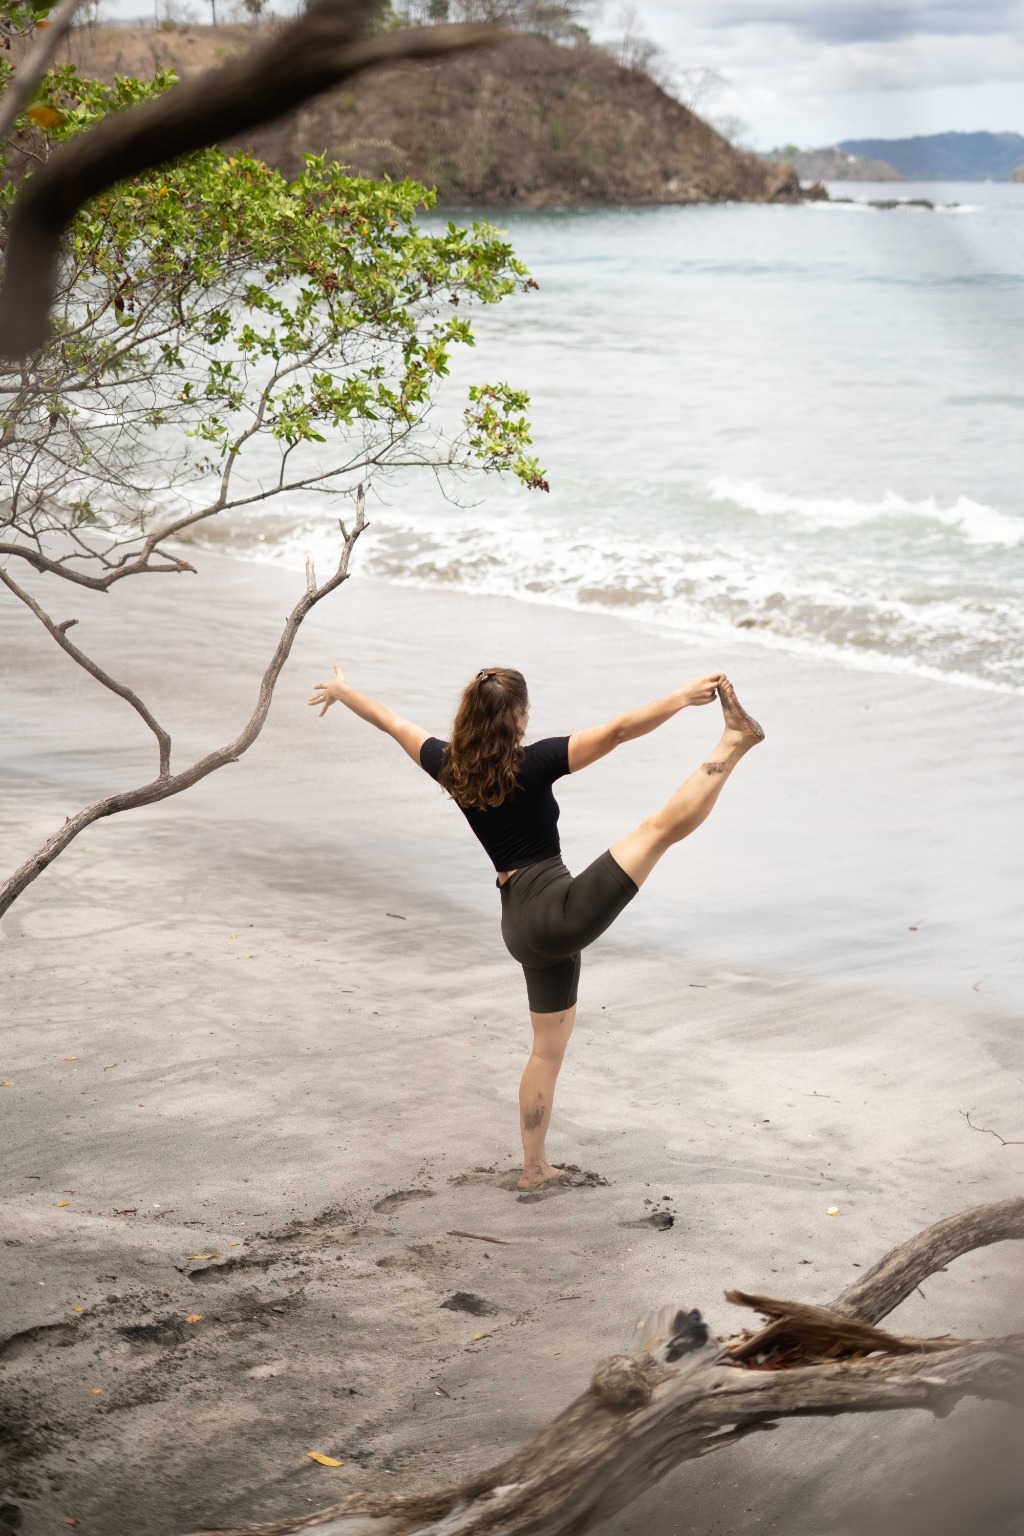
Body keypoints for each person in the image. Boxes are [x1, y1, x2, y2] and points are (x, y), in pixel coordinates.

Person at [308, 663, 764, 1190]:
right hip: (555, 909)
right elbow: (616, 731)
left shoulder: (448, 764)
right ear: (519, 716)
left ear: (470, 715)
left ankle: (533, 1169)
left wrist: (343, 691)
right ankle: (732, 742)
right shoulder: (536, 761)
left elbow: (390, 721)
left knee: (546, 1052)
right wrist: (680, 697)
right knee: (655, 830)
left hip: (519, 926)